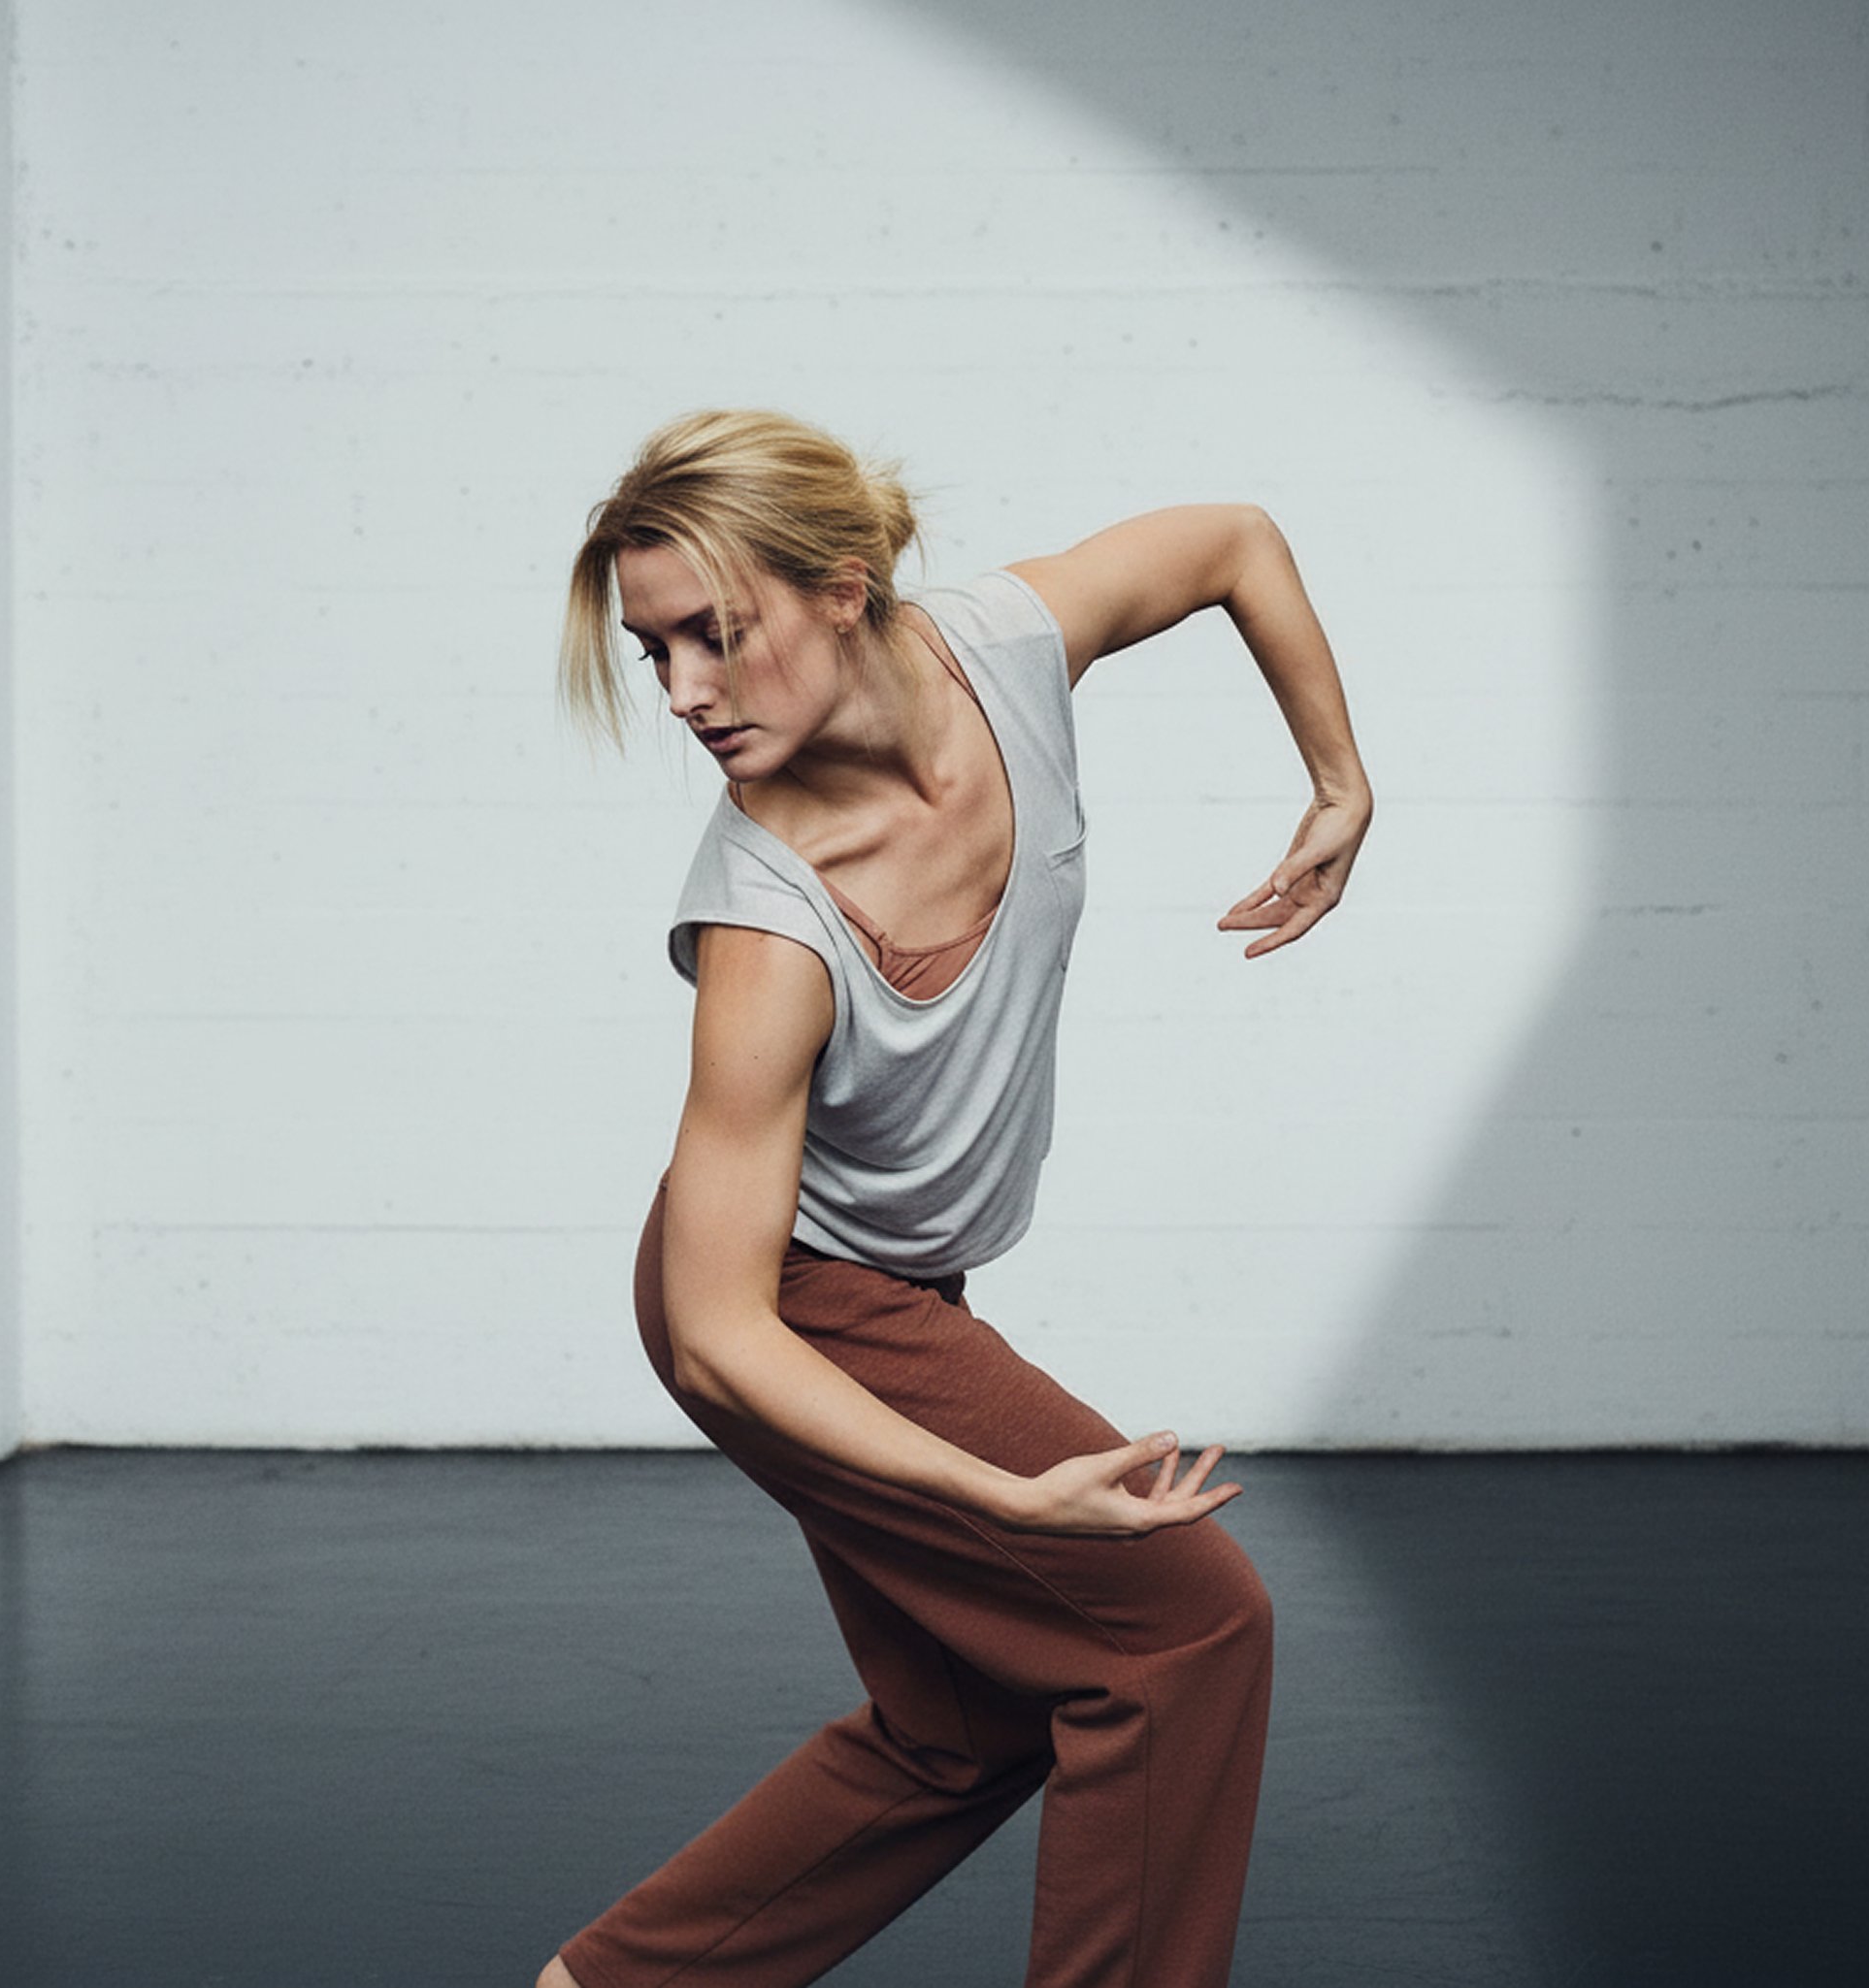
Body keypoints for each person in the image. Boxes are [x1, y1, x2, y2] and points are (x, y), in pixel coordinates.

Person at [540, 408, 1369, 1988]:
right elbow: (720, 1335)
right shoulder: (766, 923)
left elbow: (1235, 540)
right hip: (792, 1299)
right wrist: (994, 1495)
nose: (684, 696)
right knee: (1188, 1630)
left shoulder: (1005, 647)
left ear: (845, 590)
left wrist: (1339, 782)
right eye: (653, 656)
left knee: (963, 1721)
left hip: (893, 1292)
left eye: (714, 637)